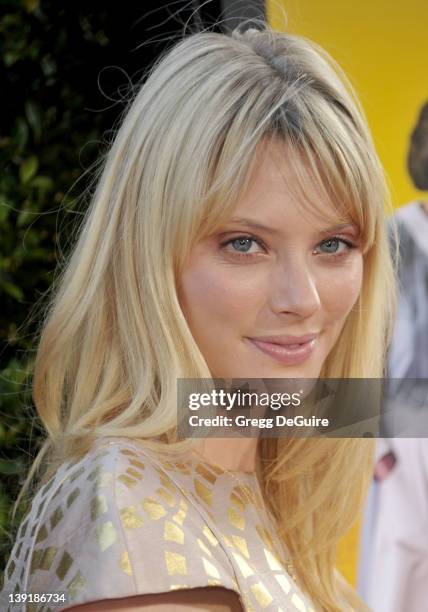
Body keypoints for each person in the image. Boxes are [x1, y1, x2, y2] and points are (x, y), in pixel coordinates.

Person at [0, 21, 396, 612]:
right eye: (244, 243)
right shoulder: (136, 519)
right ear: (149, 256)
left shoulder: (259, 486)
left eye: (333, 244)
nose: (304, 298)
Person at [357, 102, 428, 611]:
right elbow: (362, 345)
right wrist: (374, 445)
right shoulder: (393, 238)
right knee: (399, 580)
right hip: (407, 441)